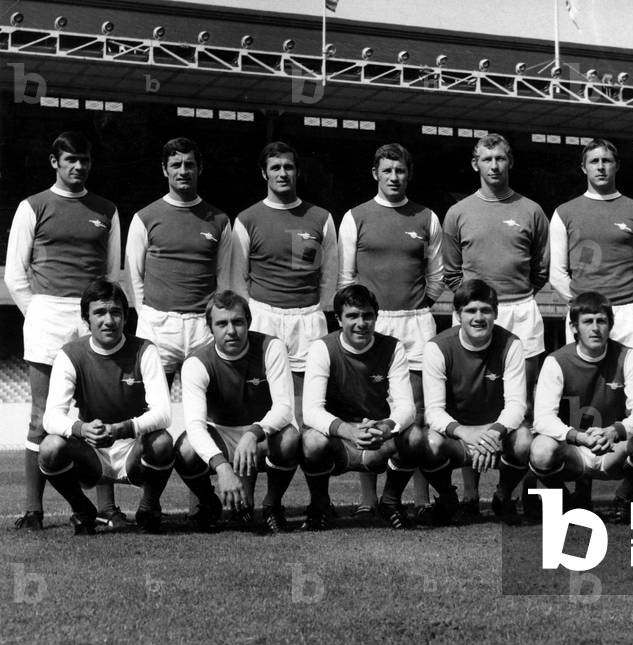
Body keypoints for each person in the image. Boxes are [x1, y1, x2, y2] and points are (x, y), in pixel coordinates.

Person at [5, 131, 121, 531]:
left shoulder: (106, 209)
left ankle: (107, 506)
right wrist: (37, 311)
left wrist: (92, 316)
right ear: (55, 162)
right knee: (40, 415)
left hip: (89, 317)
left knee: (99, 410)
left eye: (85, 160)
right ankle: (34, 510)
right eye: (71, 159)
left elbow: (111, 273)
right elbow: (17, 274)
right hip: (46, 314)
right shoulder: (32, 206)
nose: (79, 166)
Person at [442, 132, 549, 506]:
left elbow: (541, 269)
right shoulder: (458, 213)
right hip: (476, 312)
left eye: (500, 159)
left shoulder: (532, 210)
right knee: (472, 402)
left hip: (521, 309)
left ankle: (509, 490)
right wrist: (477, 302)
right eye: (487, 159)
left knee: (525, 407)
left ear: (510, 162)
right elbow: (452, 273)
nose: (494, 166)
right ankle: (470, 492)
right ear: (476, 164)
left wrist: (514, 296)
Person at [338, 143, 442, 520]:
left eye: (400, 171)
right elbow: (346, 278)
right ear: (375, 174)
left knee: (414, 411)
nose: (394, 177)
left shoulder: (427, 217)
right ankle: (367, 497)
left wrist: (416, 304)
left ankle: (419, 497)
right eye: (387, 171)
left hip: (415, 320)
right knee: (370, 406)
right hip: (373, 322)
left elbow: (437, 276)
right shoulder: (355, 217)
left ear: (408, 174)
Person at [37, 279, 173, 534]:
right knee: (49, 447)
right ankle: (81, 509)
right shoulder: (70, 354)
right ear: (86, 317)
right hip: (93, 452)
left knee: (162, 442)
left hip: (134, 447)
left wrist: (123, 429)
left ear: (125, 316)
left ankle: (149, 507)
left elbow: (164, 413)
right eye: (99, 312)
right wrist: (81, 428)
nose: (108, 320)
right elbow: (51, 417)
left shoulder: (145, 350)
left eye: (116, 312)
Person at [232, 141, 338, 431]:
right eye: (275, 167)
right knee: (263, 406)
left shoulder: (321, 218)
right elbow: (238, 278)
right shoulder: (247, 219)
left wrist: (317, 307)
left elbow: (330, 274)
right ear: (264, 173)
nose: (282, 173)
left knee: (307, 410)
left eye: (288, 167)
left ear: (298, 171)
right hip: (264, 318)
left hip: (307, 319)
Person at [175, 291, 302, 533]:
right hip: (221, 434)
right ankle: (208, 502)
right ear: (210, 328)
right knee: (185, 448)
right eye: (222, 323)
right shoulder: (196, 362)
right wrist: (222, 467)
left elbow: (285, 408)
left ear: (249, 323)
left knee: (290, 439)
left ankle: (272, 505)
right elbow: (194, 425)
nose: (231, 330)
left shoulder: (271, 347)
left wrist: (254, 433)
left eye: (238, 322)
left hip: (262, 434)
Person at [529, 292, 633, 520]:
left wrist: (613, 431)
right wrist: (579, 437)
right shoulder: (556, 361)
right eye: (588, 321)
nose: (595, 328)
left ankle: (623, 495)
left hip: (613, 448)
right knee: (540, 449)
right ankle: (566, 500)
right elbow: (542, 419)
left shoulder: (627, 357)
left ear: (611, 324)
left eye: (601, 321)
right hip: (574, 451)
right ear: (574, 327)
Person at [299, 285, 417, 529]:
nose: (361, 323)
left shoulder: (393, 348)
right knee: (311, 441)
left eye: (367, 316)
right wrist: (349, 431)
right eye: (352, 316)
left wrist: (386, 428)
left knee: (415, 436)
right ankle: (320, 505)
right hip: (339, 441)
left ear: (376, 317)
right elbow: (311, 410)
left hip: (377, 437)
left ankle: (390, 503)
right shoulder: (323, 348)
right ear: (338, 319)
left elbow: (407, 407)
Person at [420, 279, 533, 524]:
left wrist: (492, 433)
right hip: (459, 435)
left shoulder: (511, 344)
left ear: (496, 314)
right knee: (428, 442)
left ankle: (503, 496)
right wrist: (465, 433)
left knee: (525, 440)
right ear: (458, 314)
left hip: (497, 434)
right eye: (471, 310)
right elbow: (434, 412)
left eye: (486, 310)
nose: (478, 317)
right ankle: (448, 496)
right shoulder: (437, 347)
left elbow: (516, 405)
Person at [126, 137, 233, 381]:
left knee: (203, 410)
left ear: (199, 168)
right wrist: (148, 315)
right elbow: (134, 275)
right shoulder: (145, 217)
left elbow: (224, 277)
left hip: (202, 328)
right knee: (154, 410)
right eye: (176, 165)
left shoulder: (220, 220)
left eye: (189, 164)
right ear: (165, 169)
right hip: (158, 324)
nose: (183, 171)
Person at [550, 137, 633, 369]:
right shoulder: (564, 212)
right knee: (585, 381)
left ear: (616, 165)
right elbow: (556, 272)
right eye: (594, 161)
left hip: (628, 312)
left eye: (606, 161)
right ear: (583, 167)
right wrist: (581, 302)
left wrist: (630, 296)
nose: (600, 166)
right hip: (585, 313)